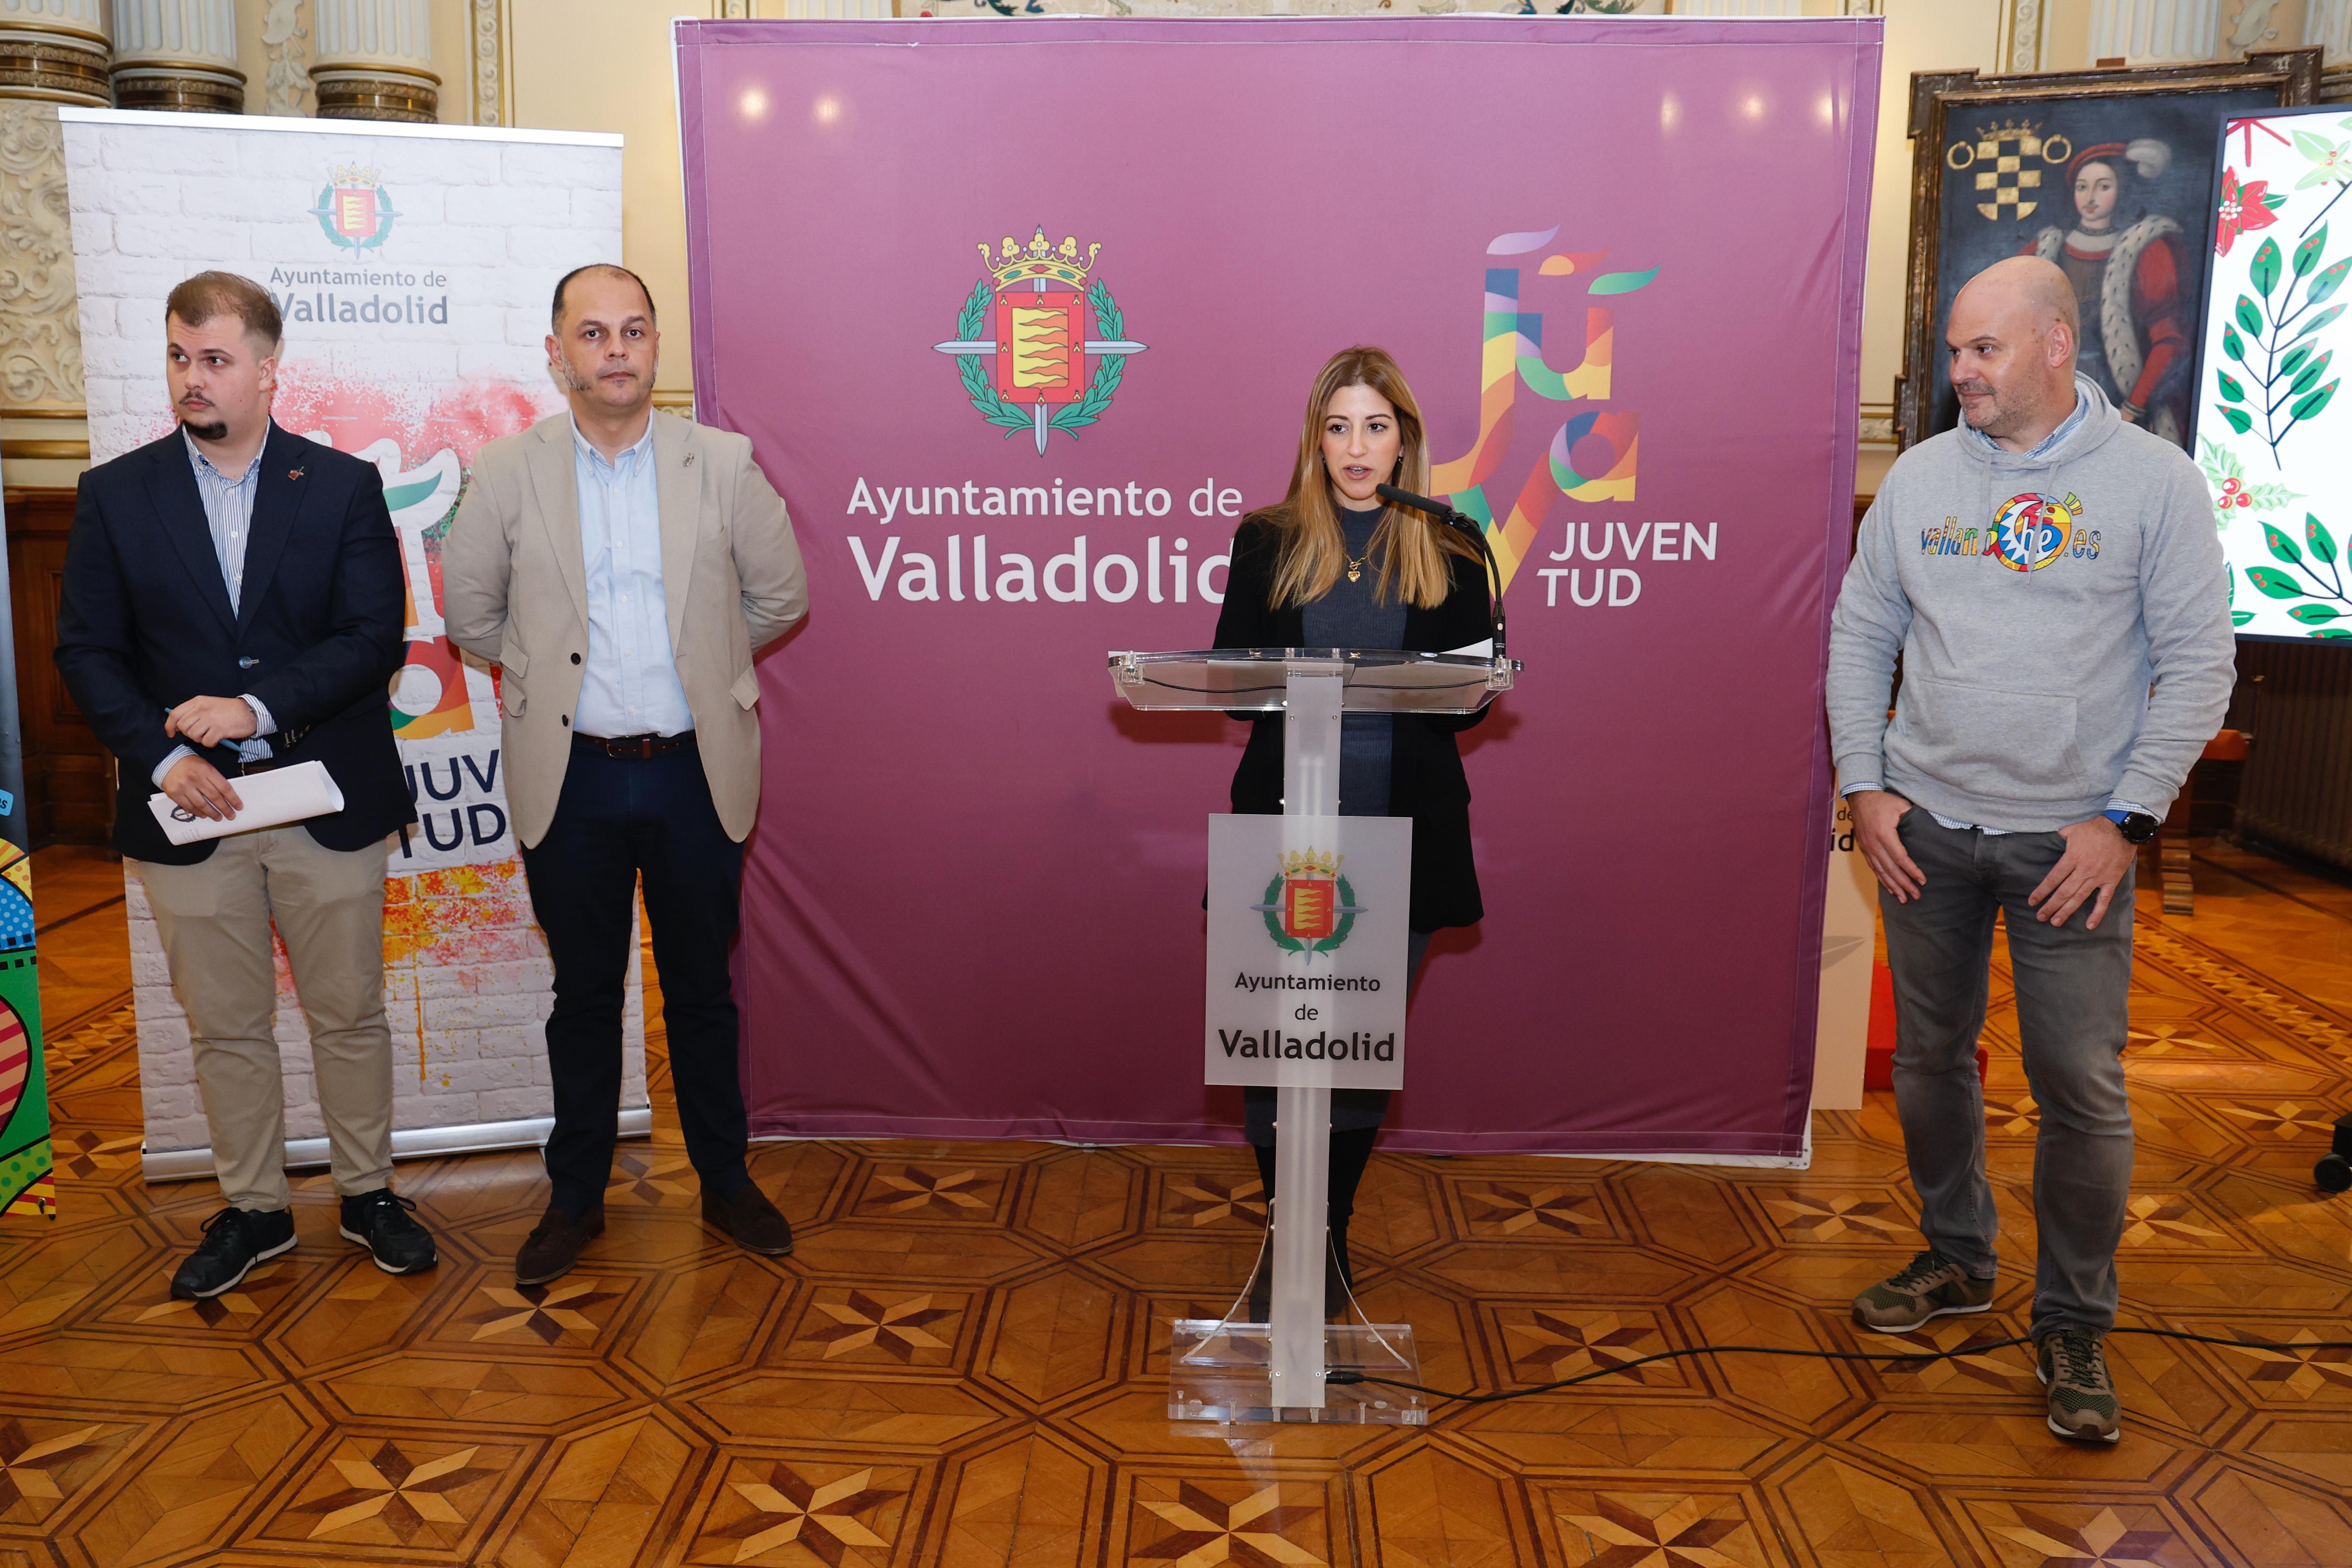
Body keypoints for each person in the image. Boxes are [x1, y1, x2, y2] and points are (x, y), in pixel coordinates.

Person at [1827, 256, 2234, 1443]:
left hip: (2071, 848)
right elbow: (1858, 634)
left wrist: (2126, 821)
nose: (1958, 372)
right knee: (1926, 1064)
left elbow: (2196, 664)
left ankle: (2070, 1320)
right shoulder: (1919, 478)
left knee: (2077, 1088)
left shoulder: (2153, 484)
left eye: (1982, 349)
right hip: (1925, 832)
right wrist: (1865, 784)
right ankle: (1956, 1255)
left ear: (2055, 343)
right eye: (1955, 350)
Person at [55, 271, 434, 1298]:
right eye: (179, 357)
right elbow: (87, 650)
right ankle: (256, 1208)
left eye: (215, 359)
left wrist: (254, 710)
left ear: (268, 370)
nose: (192, 377)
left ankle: (367, 1193)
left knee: (347, 1014)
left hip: (326, 801)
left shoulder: (343, 485)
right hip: (187, 808)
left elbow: (372, 637)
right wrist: (163, 756)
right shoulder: (116, 494)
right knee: (225, 1026)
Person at [442, 264, 809, 1285]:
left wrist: (703, 661)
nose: (617, 350)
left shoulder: (722, 463)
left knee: (701, 992)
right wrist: (548, 675)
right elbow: (471, 612)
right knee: (584, 997)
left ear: (655, 346)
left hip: (694, 773)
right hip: (574, 779)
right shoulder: (507, 469)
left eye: (634, 331)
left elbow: (780, 596)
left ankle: (725, 1180)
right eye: (594, 332)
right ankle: (575, 1200)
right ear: (556, 352)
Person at [1211, 345, 1494, 1316]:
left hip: (1397, 835)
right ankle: (1286, 1227)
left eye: (1374, 426)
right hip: (1285, 835)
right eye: (1338, 427)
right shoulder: (1268, 539)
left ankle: (1326, 1232)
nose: (1356, 447)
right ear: (1315, 439)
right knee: (1273, 1043)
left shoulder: (1450, 545)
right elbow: (1234, 687)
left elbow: (1467, 709)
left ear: (1403, 440)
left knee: (1355, 1047)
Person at [2022, 140, 2190, 445]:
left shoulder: (2146, 249)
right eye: (2082, 187)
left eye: (2103, 187)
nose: (2090, 198)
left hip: (2122, 402)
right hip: (2052, 407)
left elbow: (2169, 341)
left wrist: (2132, 408)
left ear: (2121, 189)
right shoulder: (2045, 249)